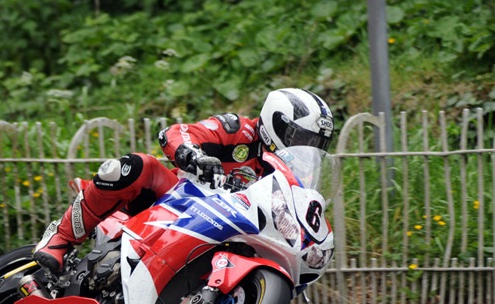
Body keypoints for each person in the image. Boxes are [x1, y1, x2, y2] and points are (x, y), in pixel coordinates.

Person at [32, 88, 335, 273]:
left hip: (233, 233)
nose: (304, 148)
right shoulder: (237, 130)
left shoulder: (295, 176)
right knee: (136, 166)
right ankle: (59, 240)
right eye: (300, 138)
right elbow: (177, 133)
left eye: (313, 144)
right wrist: (193, 156)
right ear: (276, 122)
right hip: (180, 202)